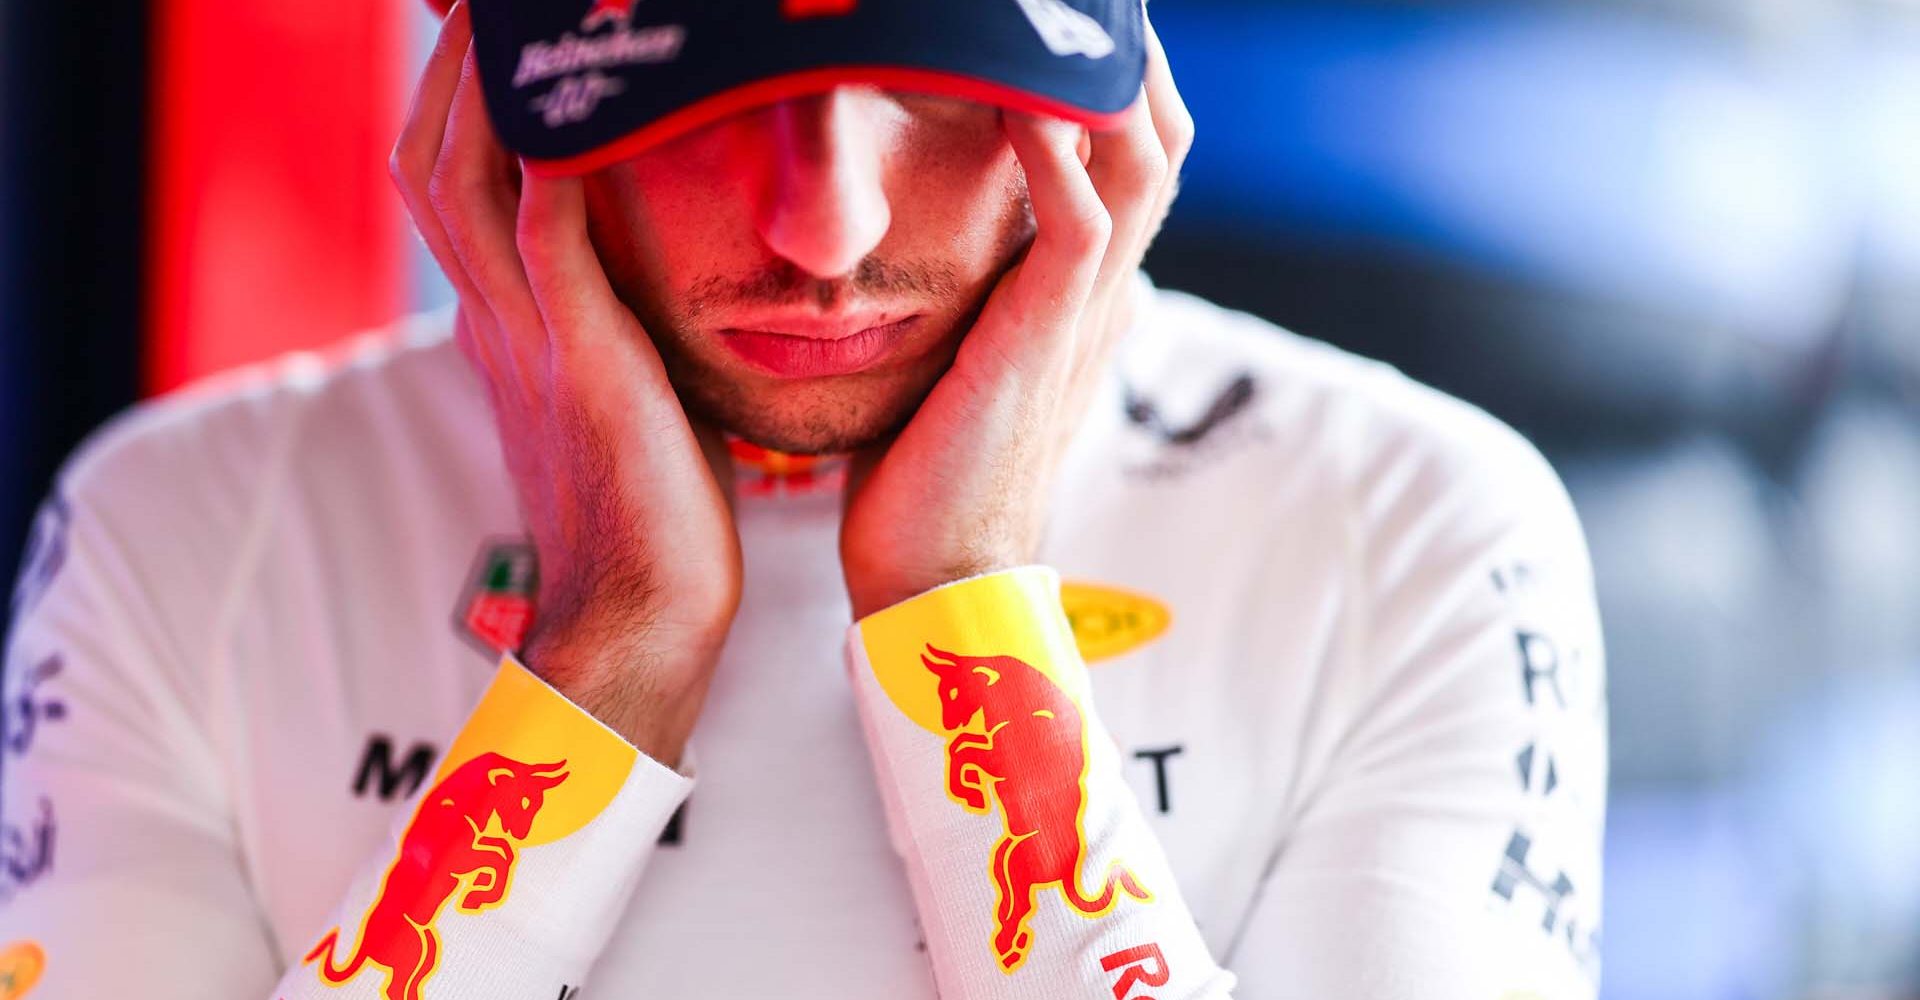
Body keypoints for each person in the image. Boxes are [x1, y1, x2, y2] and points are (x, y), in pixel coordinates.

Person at [0, 0, 1607, 997]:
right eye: (712, 88)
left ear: (1115, 101)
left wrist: (961, 614)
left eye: (932, 67)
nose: (826, 229)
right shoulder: (185, 530)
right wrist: (605, 654)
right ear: (472, 80)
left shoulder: (1414, 527)